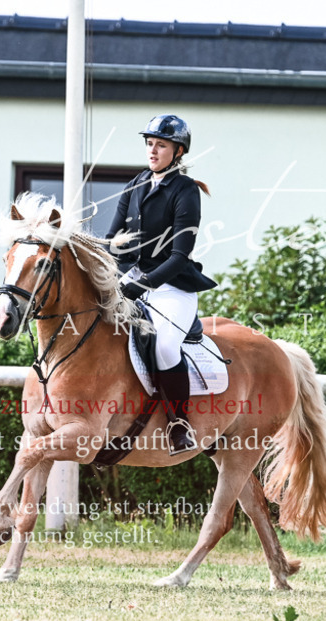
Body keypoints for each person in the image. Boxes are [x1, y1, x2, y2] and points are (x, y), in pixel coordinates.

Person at [105, 114, 217, 454]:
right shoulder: (136, 183)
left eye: (161, 145)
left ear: (178, 151)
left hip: (172, 287)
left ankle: (179, 424)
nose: (153, 151)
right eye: (150, 144)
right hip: (131, 278)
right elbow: (112, 241)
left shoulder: (186, 191)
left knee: (165, 347)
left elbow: (180, 256)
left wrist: (143, 284)